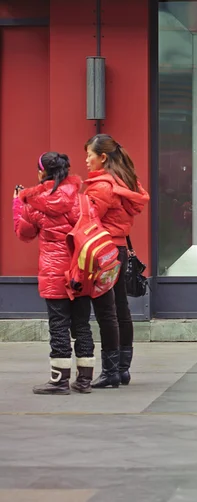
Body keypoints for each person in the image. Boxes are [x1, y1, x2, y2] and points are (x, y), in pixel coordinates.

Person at [12, 152, 96, 395]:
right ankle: (84, 380)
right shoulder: (83, 200)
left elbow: (24, 233)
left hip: (54, 272)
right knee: (82, 325)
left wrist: (17, 203)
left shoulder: (34, 203)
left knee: (58, 325)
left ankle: (59, 380)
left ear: (42, 173)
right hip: (81, 271)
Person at [84, 134, 149, 388]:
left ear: (102, 157)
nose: (86, 159)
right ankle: (122, 369)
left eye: (89, 154)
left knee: (105, 311)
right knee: (121, 309)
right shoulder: (126, 182)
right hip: (119, 249)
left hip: (103, 250)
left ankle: (110, 372)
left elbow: (88, 223)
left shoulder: (102, 186)